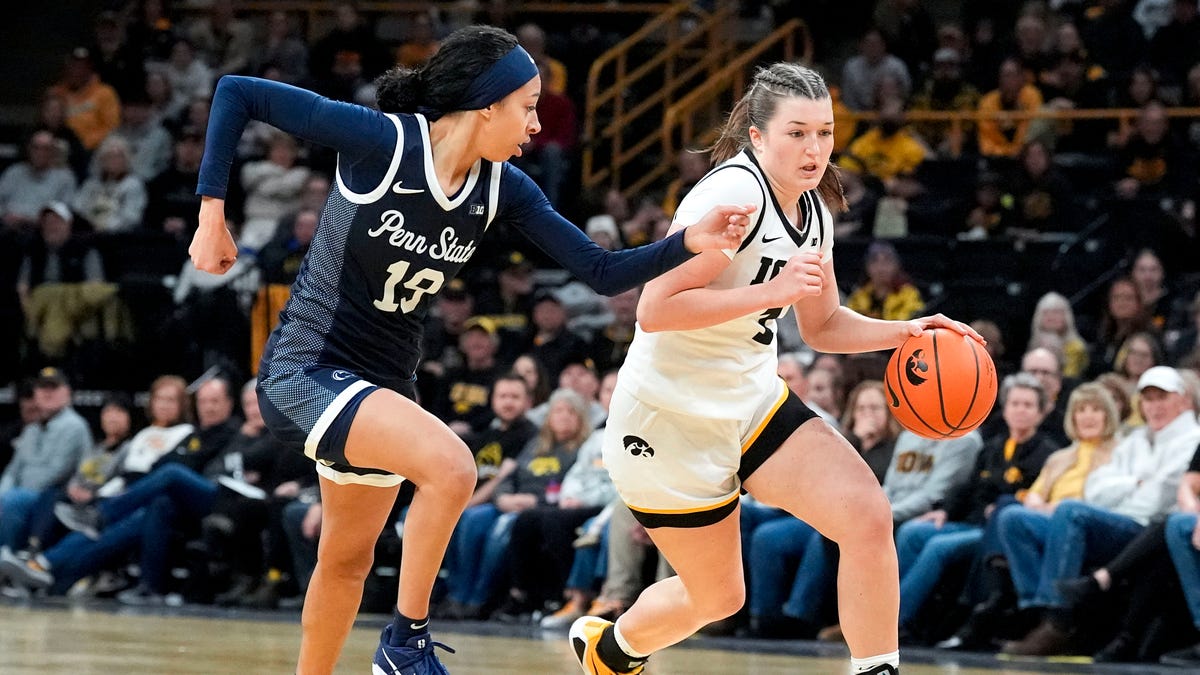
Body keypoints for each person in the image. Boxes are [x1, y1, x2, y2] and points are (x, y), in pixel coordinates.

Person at [186, 25, 750, 675]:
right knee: (454, 466)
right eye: (529, 106)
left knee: (346, 559)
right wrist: (211, 211)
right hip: (307, 368)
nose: (538, 124)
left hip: (384, 386)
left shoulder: (503, 187)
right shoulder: (383, 142)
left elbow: (598, 268)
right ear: (488, 104)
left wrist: (690, 242)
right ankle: (406, 642)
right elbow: (235, 92)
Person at [569, 62, 980, 675]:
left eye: (824, 132)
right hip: (669, 419)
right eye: (797, 133)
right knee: (719, 597)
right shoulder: (729, 196)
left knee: (867, 514)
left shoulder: (814, 213)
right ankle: (611, 650)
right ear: (758, 137)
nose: (814, 148)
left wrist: (907, 332)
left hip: (750, 399)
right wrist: (768, 293)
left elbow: (822, 325)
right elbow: (656, 309)